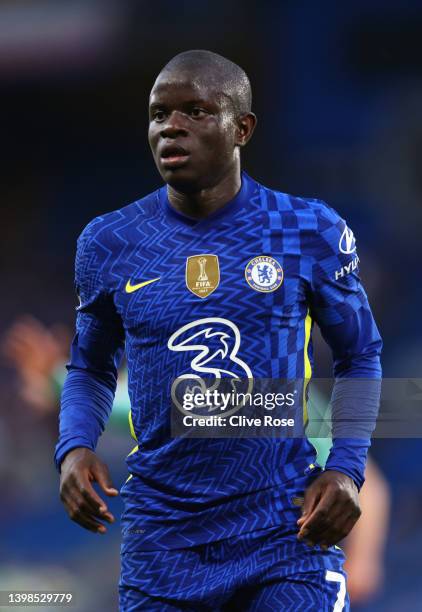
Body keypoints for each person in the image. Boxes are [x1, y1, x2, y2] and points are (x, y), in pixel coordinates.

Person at [54, 50, 382, 611]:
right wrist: (73, 448)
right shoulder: (109, 242)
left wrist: (347, 470)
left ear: (242, 128)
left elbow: (360, 355)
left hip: (284, 534)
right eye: (159, 114)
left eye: (196, 112)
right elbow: (89, 366)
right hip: (163, 543)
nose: (171, 126)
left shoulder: (307, 229)